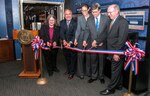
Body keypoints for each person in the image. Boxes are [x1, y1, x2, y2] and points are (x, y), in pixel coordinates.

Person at [100, 4, 128, 95]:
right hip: (111, 50)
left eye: (110, 12)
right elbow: (106, 35)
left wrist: (117, 53)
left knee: (114, 70)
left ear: (117, 11)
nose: (108, 14)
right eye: (108, 12)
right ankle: (119, 85)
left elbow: (121, 40)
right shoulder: (110, 21)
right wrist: (98, 41)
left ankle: (110, 89)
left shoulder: (122, 22)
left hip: (117, 51)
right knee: (117, 70)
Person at [83, 3, 109, 83]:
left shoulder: (106, 19)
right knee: (93, 60)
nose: (94, 14)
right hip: (92, 44)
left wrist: (101, 41)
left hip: (102, 44)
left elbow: (107, 32)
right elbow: (87, 31)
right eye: (93, 12)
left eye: (95, 12)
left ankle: (101, 76)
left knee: (101, 61)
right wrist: (84, 40)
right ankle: (94, 76)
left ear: (100, 10)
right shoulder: (89, 19)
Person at [74, 4, 90, 79]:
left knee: (89, 56)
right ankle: (80, 73)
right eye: (82, 10)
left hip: (90, 38)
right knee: (80, 56)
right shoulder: (80, 18)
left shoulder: (92, 17)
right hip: (81, 38)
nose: (83, 12)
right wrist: (76, 39)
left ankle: (88, 72)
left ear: (88, 9)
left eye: (85, 10)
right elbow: (78, 29)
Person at [60, 9, 77, 79]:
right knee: (67, 58)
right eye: (66, 14)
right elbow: (61, 32)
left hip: (72, 44)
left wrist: (70, 42)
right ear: (64, 15)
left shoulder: (75, 23)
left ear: (71, 14)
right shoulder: (61, 22)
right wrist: (64, 40)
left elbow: (75, 34)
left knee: (72, 59)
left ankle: (72, 72)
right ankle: (68, 69)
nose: (68, 15)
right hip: (64, 44)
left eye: (69, 14)